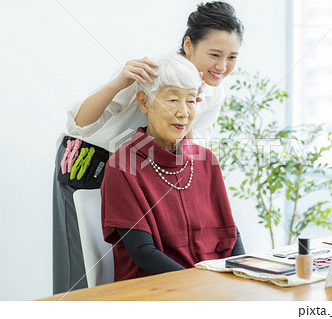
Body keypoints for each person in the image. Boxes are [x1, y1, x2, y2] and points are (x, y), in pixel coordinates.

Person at [53, 1, 244, 294]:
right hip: (93, 162)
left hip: (150, 166)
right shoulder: (151, 70)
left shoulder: (213, 92)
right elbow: (79, 124)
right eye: (215, 54)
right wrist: (120, 82)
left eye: (232, 57)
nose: (222, 66)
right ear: (189, 45)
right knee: (83, 274)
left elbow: (190, 150)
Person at [101, 53, 245, 281]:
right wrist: (199, 287)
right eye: (172, 99)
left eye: (190, 100)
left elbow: (232, 235)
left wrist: (241, 277)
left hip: (212, 288)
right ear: (144, 102)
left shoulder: (206, 161)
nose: (183, 112)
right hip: (155, 292)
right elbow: (143, 253)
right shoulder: (123, 166)